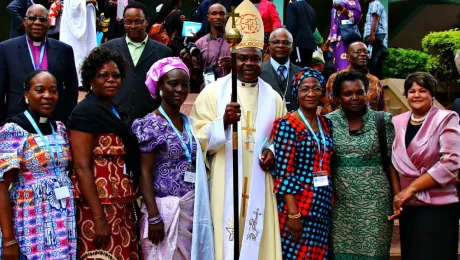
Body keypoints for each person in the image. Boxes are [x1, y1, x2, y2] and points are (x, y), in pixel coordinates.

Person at [191, 0, 285, 258]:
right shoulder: (213, 93)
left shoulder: (274, 98)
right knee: (227, 236)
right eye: (242, 57)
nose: (248, 64)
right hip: (224, 176)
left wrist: (273, 152)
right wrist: (221, 123)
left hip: (260, 178)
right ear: (232, 59)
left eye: (254, 58)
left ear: (262, 58)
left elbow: (282, 136)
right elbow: (197, 136)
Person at [132, 57, 214, 259]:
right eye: (173, 83)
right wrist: (153, 216)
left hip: (192, 208)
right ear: (160, 86)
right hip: (163, 210)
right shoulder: (150, 124)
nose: (180, 89)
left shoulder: (189, 123)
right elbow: (144, 172)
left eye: (185, 85)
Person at [67, 47, 140, 259]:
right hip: (97, 206)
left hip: (121, 204)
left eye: (116, 76)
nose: (111, 80)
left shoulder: (114, 110)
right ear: (91, 79)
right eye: (103, 75)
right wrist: (99, 218)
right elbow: (81, 167)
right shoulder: (85, 112)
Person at [0, 70, 76, 259]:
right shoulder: (13, 130)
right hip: (31, 220)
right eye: (40, 90)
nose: (48, 96)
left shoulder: (59, 128)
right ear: (27, 95)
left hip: (62, 217)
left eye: (53, 91)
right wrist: (8, 239)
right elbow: (1, 186)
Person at [325, 71, 399, 260]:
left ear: (367, 93)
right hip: (340, 205)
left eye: (360, 92)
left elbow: (391, 163)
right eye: (348, 94)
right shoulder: (328, 122)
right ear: (338, 96)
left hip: (376, 205)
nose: (354, 97)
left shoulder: (382, 121)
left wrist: (397, 197)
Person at [391, 72, 460, 260]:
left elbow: (451, 160)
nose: (416, 95)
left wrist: (411, 188)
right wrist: (399, 196)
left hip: (439, 206)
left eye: (423, 90)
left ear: (432, 95)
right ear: (406, 95)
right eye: (412, 91)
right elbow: (392, 162)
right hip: (409, 207)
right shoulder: (397, 122)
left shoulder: (446, 118)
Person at [271, 68, 334, 260]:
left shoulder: (326, 124)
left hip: (321, 205)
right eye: (304, 89)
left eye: (316, 89)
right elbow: (284, 171)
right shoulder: (287, 124)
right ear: (296, 93)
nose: (311, 93)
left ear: (322, 93)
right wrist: (293, 214)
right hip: (298, 206)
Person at [0, 4, 78, 124]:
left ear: (49, 23)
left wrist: (68, 121)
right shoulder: (6, 49)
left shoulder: (64, 50)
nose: (37, 22)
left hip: (54, 121)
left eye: (43, 19)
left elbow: (71, 90)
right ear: (25, 21)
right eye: (32, 18)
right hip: (16, 121)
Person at [103, 2, 173, 122]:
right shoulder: (108, 49)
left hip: (151, 121)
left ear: (147, 21)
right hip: (115, 120)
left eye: (138, 21)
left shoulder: (163, 52)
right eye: (128, 22)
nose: (133, 26)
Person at [322, 41, 384, 114]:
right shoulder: (336, 78)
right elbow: (328, 106)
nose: (363, 54)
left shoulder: (375, 81)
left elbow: (380, 108)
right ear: (348, 57)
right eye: (358, 52)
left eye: (366, 52)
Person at [260, 28, 301, 112]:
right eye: (275, 42)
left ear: (292, 47)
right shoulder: (258, 72)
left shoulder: (301, 73)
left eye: (286, 42)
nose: (280, 45)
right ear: (268, 46)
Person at [60, 0, 97, 88]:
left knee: (88, 50)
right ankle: (77, 80)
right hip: (73, 27)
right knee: (75, 52)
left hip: (87, 20)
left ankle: (87, 79)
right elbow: (73, 6)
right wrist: (86, 2)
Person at [194, 3, 231, 90]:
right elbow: (195, 74)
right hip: (207, 90)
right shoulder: (199, 43)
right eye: (214, 13)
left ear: (226, 17)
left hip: (230, 89)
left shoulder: (235, 41)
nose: (218, 17)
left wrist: (234, 63)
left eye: (221, 13)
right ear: (208, 17)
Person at [323, 0, 362, 72]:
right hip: (336, 41)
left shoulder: (352, 1)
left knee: (346, 66)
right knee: (338, 68)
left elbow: (357, 18)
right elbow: (334, 26)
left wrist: (343, 10)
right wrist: (328, 41)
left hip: (348, 38)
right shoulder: (335, 5)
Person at [286, 0, 317, 68]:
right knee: (306, 68)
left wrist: (289, 41)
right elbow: (313, 28)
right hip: (309, 44)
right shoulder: (311, 8)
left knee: (297, 69)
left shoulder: (292, 5)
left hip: (298, 43)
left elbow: (291, 26)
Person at [363, 0, 388, 79]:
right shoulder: (375, 4)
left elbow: (375, 18)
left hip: (375, 40)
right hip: (377, 40)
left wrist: (372, 35)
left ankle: (373, 86)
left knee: (372, 65)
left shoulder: (375, 4)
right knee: (376, 66)